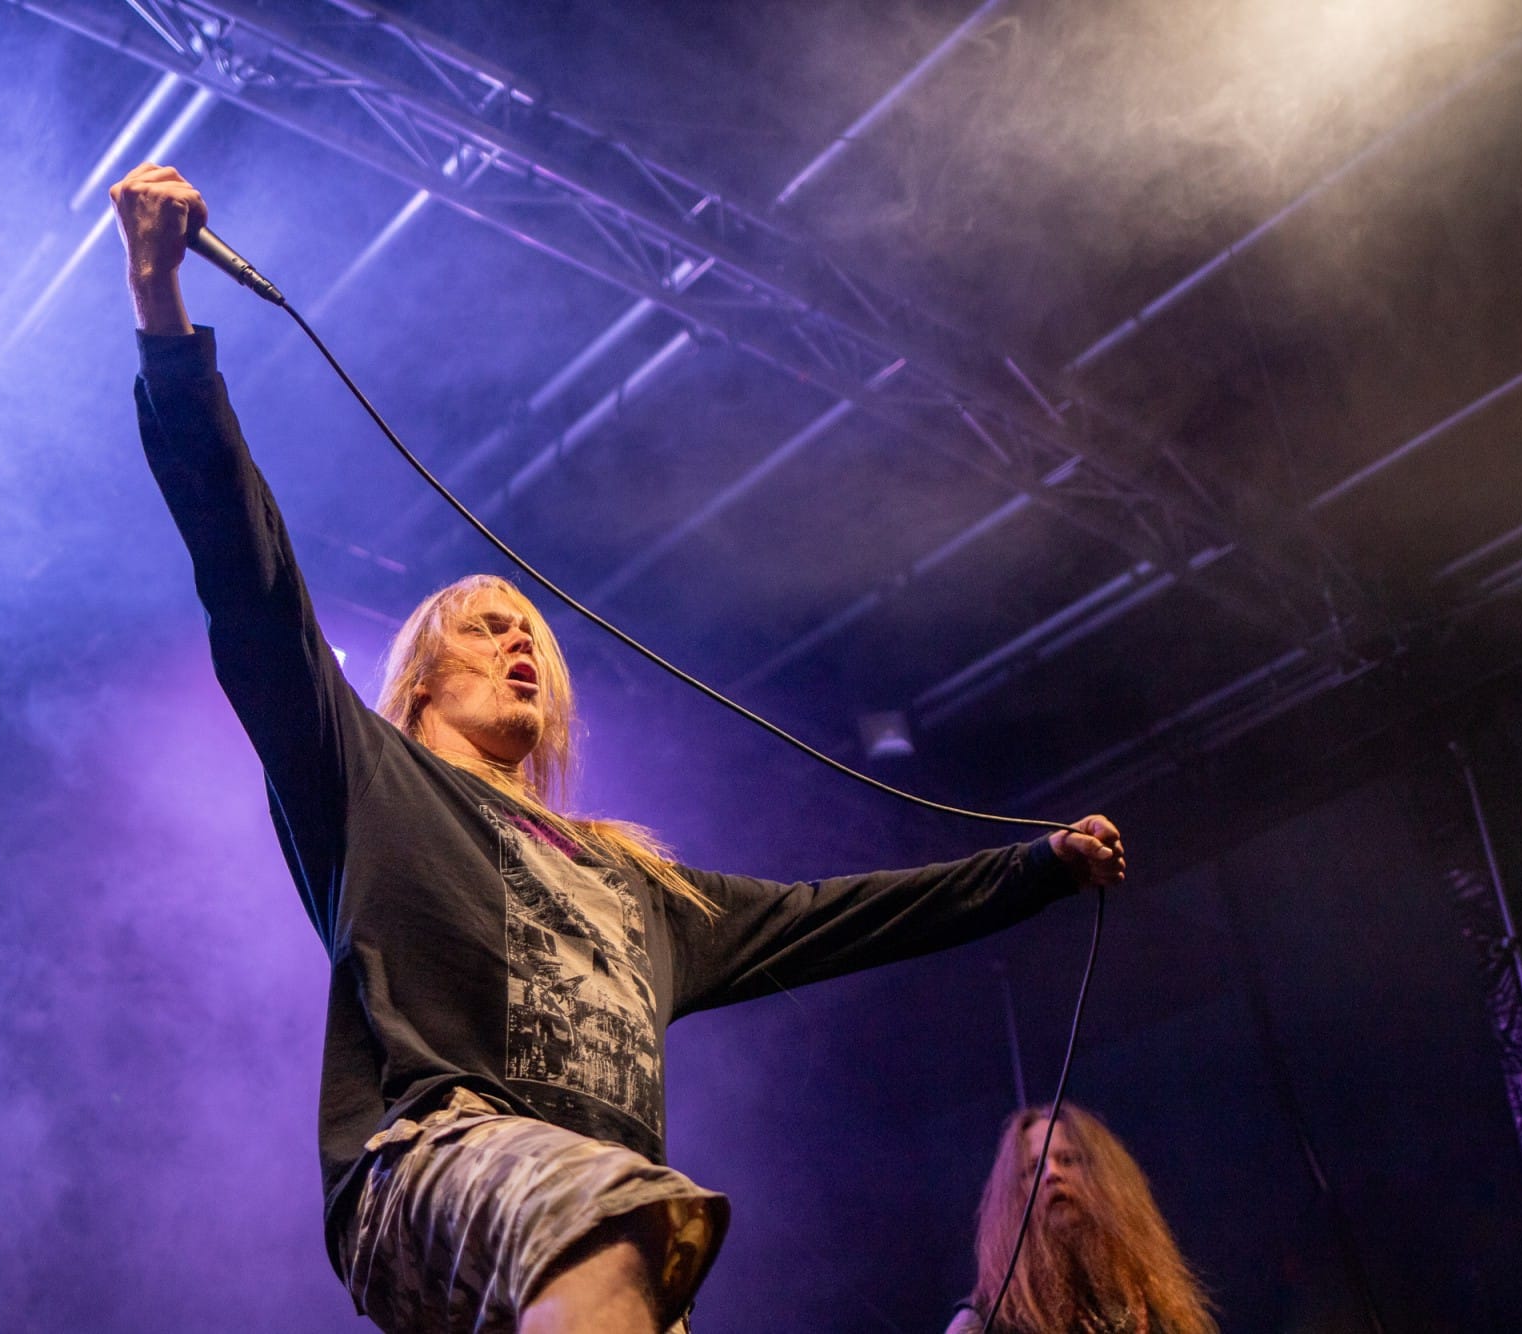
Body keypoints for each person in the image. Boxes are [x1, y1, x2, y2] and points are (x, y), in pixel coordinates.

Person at [112, 161, 1129, 1334]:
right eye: (486, 628)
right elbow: (246, 577)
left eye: (529, 634)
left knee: (624, 1247)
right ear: (420, 674)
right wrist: (161, 312)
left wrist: (1038, 866)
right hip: (437, 1168)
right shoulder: (366, 778)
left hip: (591, 1233)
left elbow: (842, 917)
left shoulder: (634, 884)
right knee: (618, 1216)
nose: (518, 643)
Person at [946, 1105, 1216, 1334]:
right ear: (1014, 1195)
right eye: (1034, 1167)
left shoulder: (1161, 1306)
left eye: (1068, 1160)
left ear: (1103, 1177)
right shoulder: (988, 1320)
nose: (1052, 1174)